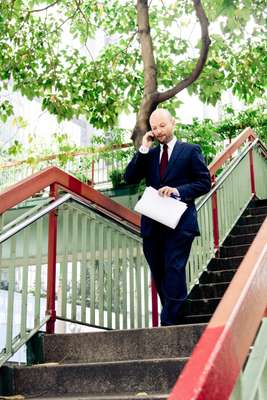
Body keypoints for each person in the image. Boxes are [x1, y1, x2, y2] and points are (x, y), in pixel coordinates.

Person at [124, 109, 211, 326]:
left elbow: (204, 182)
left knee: (174, 267)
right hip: (153, 224)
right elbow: (129, 177)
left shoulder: (190, 151)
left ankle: (169, 322)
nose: (159, 131)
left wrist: (177, 190)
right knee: (159, 271)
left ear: (173, 123)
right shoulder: (150, 154)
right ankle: (176, 316)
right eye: (154, 127)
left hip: (180, 223)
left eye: (162, 125)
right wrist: (144, 147)